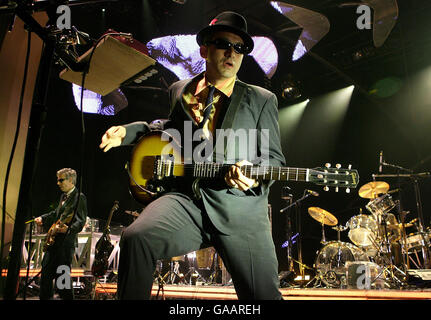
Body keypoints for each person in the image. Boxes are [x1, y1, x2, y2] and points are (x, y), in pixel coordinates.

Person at [99, 11, 286, 300]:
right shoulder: (179, 91)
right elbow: (164, 128)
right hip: (188, 202)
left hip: (240, 211)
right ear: (204, 48)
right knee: (136, 239)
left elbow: (273, 159)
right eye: (224, 43)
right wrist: (127, 132)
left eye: (240, 48)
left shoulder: (262, 99)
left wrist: (252, 173)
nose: (231, 52)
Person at [34, 168, 88, 300]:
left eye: (61, 180)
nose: (58, 183)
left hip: (65, 245)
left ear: (70, 180)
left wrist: (68, 229)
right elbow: (56, 214)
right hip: (53, 242)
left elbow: (80, 221)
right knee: (46, 275)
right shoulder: (62, 197)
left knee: (62, 279)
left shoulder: (79, 197)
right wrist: (43, 217)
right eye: (58, 180)